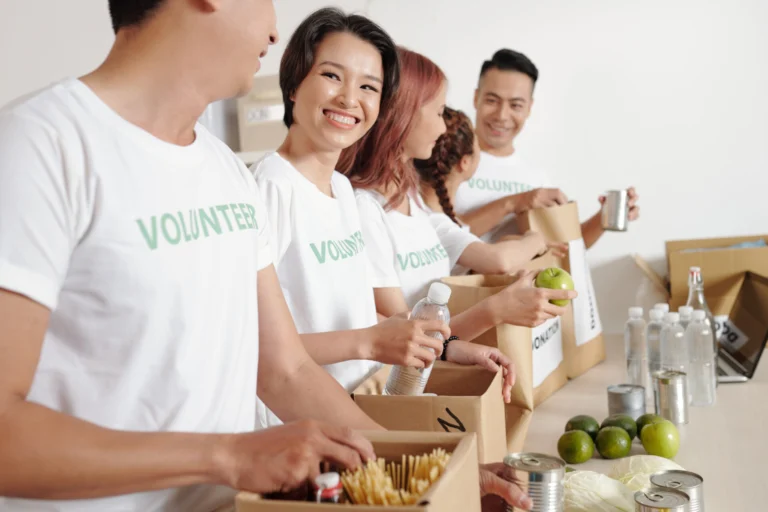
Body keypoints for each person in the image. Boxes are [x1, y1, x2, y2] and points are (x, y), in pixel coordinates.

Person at [0, 1, 393, 510]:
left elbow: (283, 370)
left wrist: (438, 463)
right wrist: (227, 457)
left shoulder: (224, 169)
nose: (275, 32)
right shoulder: (39, 145)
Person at [250, 11, 529, 510]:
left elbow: (369, 317)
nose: (348, 99)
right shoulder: (270, 188)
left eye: (369, 87)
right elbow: (261, 354)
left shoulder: (340, 189)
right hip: (299, 441)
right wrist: (371, 342)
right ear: (295, 83)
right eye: (332, 75)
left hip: (354, 415)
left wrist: (449, 349)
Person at [339, 47, 577, 346]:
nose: (442, 127)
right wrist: (496, 310)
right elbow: (405, 339)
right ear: (403, 114)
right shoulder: (365, 208)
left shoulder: (413, 202)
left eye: (515, 104)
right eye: (439, 113)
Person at [453, 49, 640, 245]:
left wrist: (605, 217)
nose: (501, 115)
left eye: (516, 105)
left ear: (529, 108)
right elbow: (439, 239)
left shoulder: (536, 179)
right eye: (492, 101)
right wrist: (514, 203)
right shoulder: (446, 162)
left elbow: (563, 247)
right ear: (476, 98)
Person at [413, 106, 566, 276]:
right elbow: (500, 261)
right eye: (477, 144)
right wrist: (535, 239)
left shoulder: (429, 214)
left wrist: (508, 242)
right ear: (464, 162)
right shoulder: (434, 222)